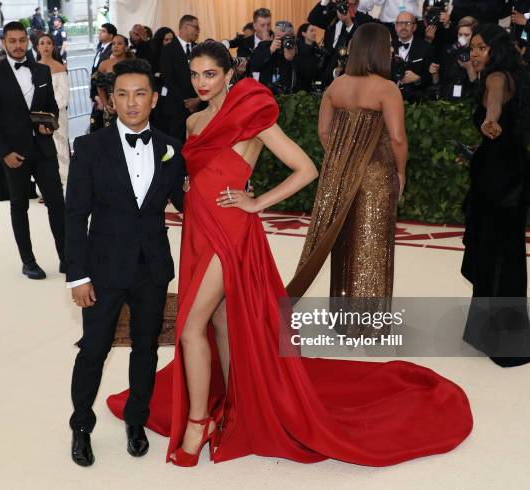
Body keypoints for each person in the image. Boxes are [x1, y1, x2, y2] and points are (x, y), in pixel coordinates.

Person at [107, 39, 473, 468]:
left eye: (210, 74)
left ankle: (198, 420)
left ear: (230, 73)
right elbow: (196, 172)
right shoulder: (192, 123)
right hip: (199, 230)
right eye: (195, 74)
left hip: (230, 232)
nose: (202, 82)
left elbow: (306, 169)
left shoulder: (252, 115)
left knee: (189, 328)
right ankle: (236, 406)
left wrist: (255, 203)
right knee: (222, 322)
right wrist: (187, 188)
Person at [66, 59, 186, 466]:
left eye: (140, 94)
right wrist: (77, 276)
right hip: (102, 268)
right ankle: (81, 425)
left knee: (146, 348)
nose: (132, 103)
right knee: (93, 350)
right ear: (109, 100)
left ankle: (137, 418)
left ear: (153, 99)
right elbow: (74, 215)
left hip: (151, 266)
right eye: (123, 94)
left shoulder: (171, 147)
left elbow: (188, 203)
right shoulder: (89, 147)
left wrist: (232, 192)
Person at [288, 22, 406, 321]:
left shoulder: (336, 85)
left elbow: (324, 131)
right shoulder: (387, 88)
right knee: (371, 246)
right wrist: (400, 172)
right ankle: (368, 323)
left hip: (338, 175)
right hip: (376, 177)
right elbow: (397, 139)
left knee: (344, 243)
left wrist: (344, 160)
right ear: (380, 50)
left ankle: (344, 320)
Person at [461, 24, 530, 368]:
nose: (475, 52)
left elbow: (493, 106)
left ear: (496, 50)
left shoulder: (496, 78)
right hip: (514, 171)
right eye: (473, 46)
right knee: (509, 250)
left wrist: (490, 121)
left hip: (497, 180)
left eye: (482, 47)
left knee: (493, 249)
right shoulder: (515, 77)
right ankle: (499, 333)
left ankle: (500, 339)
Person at [0, 21, 66, 280]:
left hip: (43, 150)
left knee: (57, 204)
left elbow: (51, 108)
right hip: (13, 154)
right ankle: (28, 262)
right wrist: (3, 152)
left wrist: (50, 125)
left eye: (21, 40)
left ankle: (67, 257)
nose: (18, 45)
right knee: (19, 206)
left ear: (27, 42)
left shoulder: (41, 71)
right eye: (12, 41)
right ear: (4, 43)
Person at [159, 15, 202, 142]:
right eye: (196, 27)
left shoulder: (200, 49)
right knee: (177, 144)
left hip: (199, 106)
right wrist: (187, 102)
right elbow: (168, 80)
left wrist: (197, 100)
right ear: (185, 27)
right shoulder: (168, 49)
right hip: (177, 108)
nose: (198, 31)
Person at [37, 32, 70, 191]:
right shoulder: (34, 68)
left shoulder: (59, 67)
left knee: (59, 148)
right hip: (38, 117)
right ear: (37, 47)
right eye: (42, 43)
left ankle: (62, 184)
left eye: (48, 43)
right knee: (42, 151)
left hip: (57, 115)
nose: (45, 46)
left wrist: (49, 111)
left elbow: (64, 96)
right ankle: (46, 187)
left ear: (53, 46)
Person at [428, 16, 478, 100]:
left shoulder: (478, 54)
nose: (462, 38)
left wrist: (469, 67)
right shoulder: (450, 50)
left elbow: (478, 89)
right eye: (460, 34)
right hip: (446, 99)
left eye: (466, 35)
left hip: (467, 101)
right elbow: (438, 83)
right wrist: (435, 74)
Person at [393, 11, 434, 102]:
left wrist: (417, 79)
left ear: (414, 27)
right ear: (395, 26)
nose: (403, 27)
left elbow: (431, 78)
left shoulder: (426, 47)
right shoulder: (387, 46)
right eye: (400, 23)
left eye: (408, 23)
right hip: (390, 99)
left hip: (416, 102)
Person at [249, 19, 297, 94]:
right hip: (266, 93)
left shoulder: (296, 47)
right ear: (273, 36)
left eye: (286, 37)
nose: (282, 39)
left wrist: (289, 48)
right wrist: (270, 50)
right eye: (279, 36)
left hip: (288, 95)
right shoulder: (264, 45)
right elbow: (254, 66)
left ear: (293, 37)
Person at [95, 34, 132, 128]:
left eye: (119, 43)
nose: (115, 46)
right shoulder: (104, 64)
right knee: (112, 137)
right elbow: (99, 86)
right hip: (111, 107)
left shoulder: (133, 64)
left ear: (126, 47)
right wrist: (105, 105)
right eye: (113, 44)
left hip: (130, 105)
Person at [89, 23, 116, 132]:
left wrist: (101, 98)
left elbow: (107, 77)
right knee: (96, 125)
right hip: (97, 93)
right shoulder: (101, 48)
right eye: (100, 31)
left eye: (103, 31)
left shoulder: (112, 51)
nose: (100, 33)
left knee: (102, 126)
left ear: (111, 35)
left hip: (104, 96)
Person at [295, 23, 321, 92]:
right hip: (301, 88)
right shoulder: (298, 50)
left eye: (315, 31)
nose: (314, 33)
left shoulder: (317, 50)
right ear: (303, 33)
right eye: (311, 31)